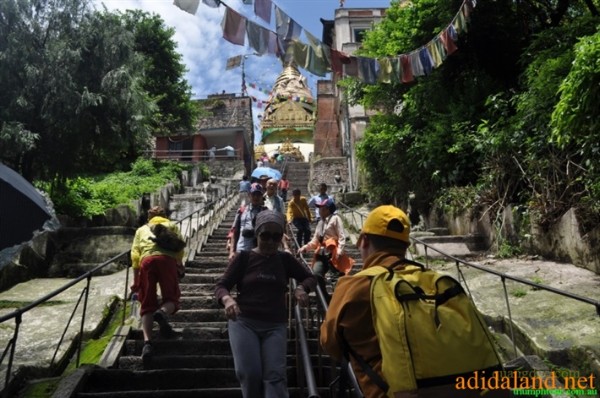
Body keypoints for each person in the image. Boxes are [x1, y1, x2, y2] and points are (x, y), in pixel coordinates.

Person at [215, 211, 317, 398]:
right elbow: (222, 286)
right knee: (250, 373)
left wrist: (302, 288)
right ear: (257, 234)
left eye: (276, 236)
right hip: (244, 322)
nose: (270, 241)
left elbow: (310, 277)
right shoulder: (243, 258)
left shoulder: (285, 260)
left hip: (275, 325)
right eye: (265, 235)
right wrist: (227, 299)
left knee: (275, 376)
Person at [130, 206, 184, 360]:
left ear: (149, 217)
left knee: (147, 302)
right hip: (167, 260)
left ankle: (148, 343)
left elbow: (134, 256)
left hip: (146, 261)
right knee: (171, 298)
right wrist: (179, 265)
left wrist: (135, 281)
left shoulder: (141, 229)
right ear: (165, 215)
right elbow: (180, 249)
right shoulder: (171, 225)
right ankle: (162, 313)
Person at [298, 199, 353, 298]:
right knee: (316, 273)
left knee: (335, 278)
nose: (319, 210)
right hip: (321, 252)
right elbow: (315, 240)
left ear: (327, 209)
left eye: (321, 208)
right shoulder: (320, 223)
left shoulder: (335, 219)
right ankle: (325, 298)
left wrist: (340, 251)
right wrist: (305, 247)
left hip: (333, 251)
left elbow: (341, 236)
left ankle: (338, 300)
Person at [229, 183, 267, 261]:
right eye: (254, 194)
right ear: (249, 195)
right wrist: (232, 251)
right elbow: (235, 231)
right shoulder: (241, 211)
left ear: (262, 196)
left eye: (258, 195)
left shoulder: (265, 211)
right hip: (241, 249)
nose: (256, 197)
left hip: (259, 252)